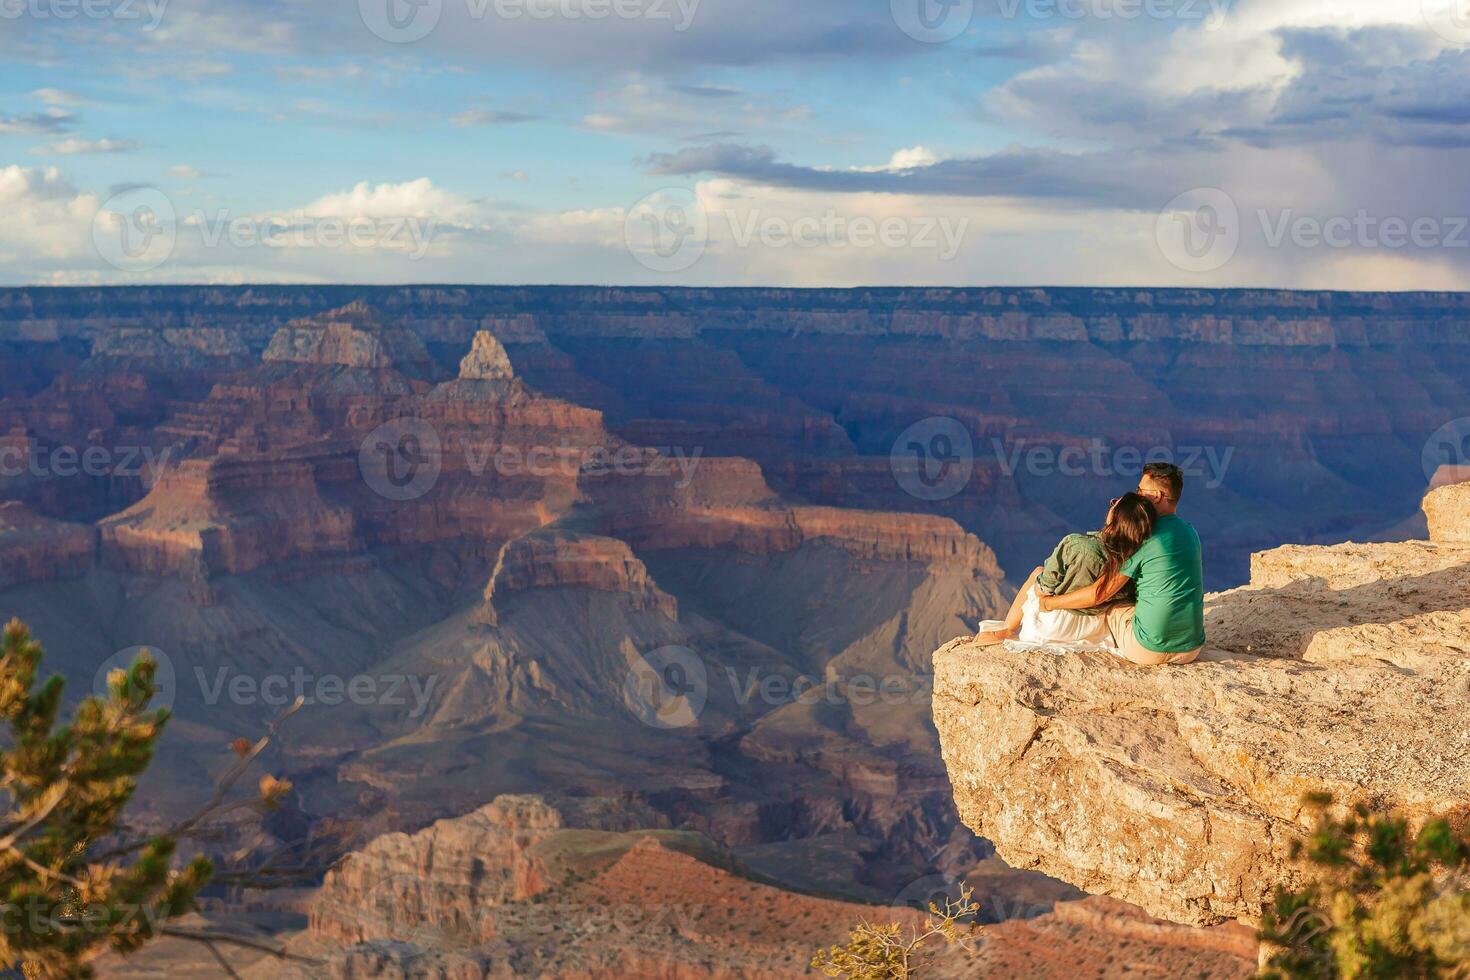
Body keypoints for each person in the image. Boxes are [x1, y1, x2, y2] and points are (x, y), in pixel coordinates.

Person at [1038, 462, 1205, 666]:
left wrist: (1048, 603)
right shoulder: (1191, 531)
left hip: (1148, 650)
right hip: (1191, 648)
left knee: (1114, 601)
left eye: (1140, 491)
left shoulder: (1144, 537)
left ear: (1157, 496)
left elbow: (1099, 592)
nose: (1137, 496)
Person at [973, 492, 1156, 648]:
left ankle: (1008, 630)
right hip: (1094, 629)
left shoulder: (1077, 545)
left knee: (1038, 572)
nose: (1112, 504)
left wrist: (1045, 601)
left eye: (1115, 503)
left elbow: (1043, 587)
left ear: (1116, 516)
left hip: (1053, 625)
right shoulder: (1136, 559)